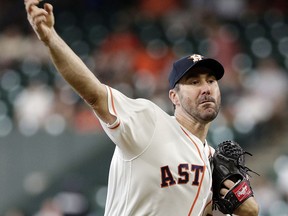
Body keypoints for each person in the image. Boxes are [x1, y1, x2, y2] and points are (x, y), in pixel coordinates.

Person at [24, 0, 259, 215]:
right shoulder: (150, 121)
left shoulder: (211, 160)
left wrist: (247, 206)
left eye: (210, 81)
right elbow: (94, 93)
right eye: (194, 82)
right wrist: (50, 38)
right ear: (174, 97)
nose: (205, 88)